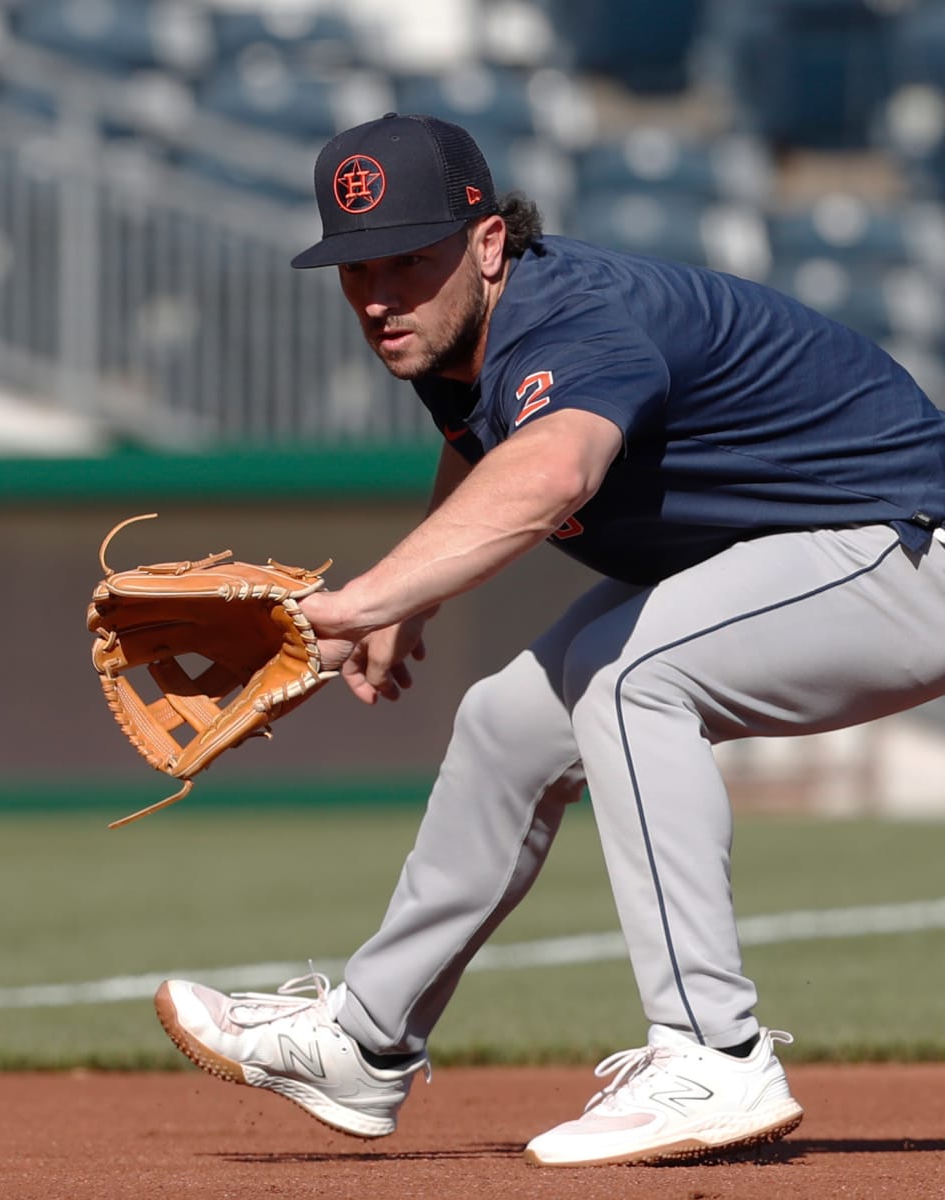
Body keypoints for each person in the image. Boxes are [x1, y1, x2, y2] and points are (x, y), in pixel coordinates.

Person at [154, 112, 945, 1167]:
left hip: (903, 544)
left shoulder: (575, 318)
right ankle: (366, 1040)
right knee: (509, 722)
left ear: (488, 244)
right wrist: (408, 599)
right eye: (355, 267)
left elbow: (554, 472)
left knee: (631, 682)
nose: (379, 293)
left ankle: (714, 1053)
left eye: (408, 259)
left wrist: (363, 601)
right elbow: (484, 447)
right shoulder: (449, 334)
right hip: (811, 548)